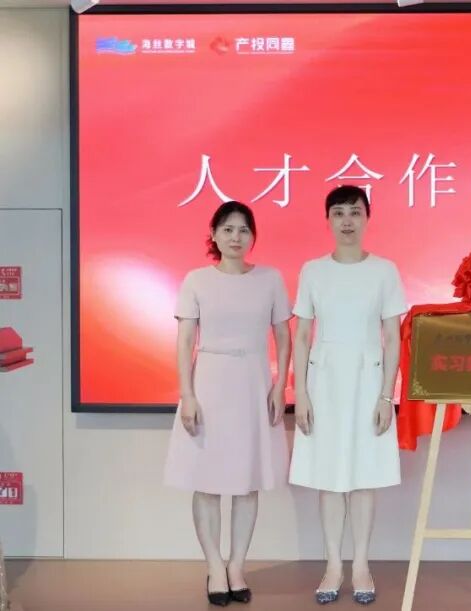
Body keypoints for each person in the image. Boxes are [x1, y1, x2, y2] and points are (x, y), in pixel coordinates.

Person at [164, 200, 292, 606]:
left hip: (253, 383)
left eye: (244, 229)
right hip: (210, 382)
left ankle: (237, 566)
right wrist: (187, 394)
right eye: (228, 229)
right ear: (214, 235)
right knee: (207, 482)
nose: (236, 237)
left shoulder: (270, 279)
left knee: (247, 482)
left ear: (253, 236)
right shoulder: (197, 280)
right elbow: (185, 341)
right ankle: (215, 567)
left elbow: (284, 337)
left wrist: (280, 386)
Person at [289, 185, 407, 606]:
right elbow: (302, 335)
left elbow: (392, 337)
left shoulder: (385, 271)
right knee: (328, 477)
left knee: (363, 477)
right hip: (324, 382)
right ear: (327, 220)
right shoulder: (313, 271)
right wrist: (301, 392)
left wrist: (386, 396)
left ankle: (360, 564)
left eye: (355, 212)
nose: (347, 221)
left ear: (367, 218)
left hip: (367, 380)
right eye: (338, 213)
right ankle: (332, 565)